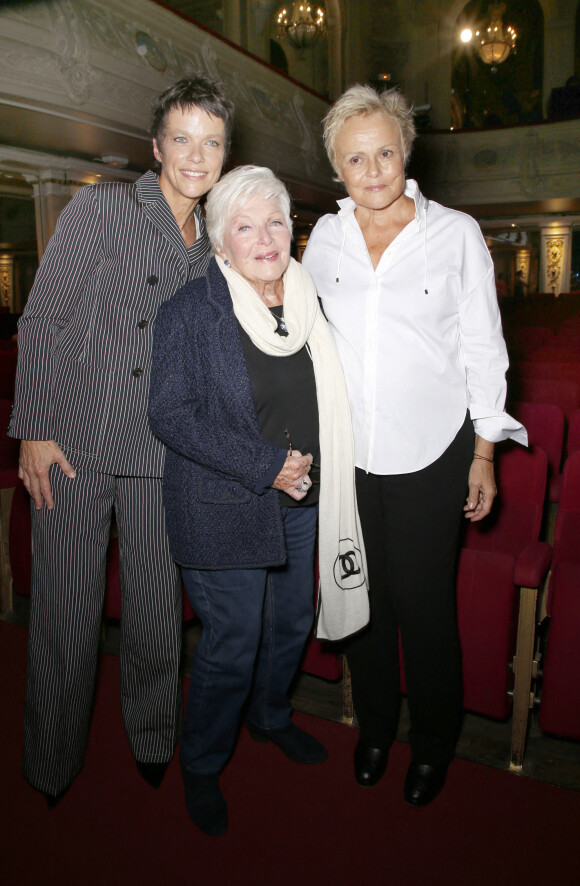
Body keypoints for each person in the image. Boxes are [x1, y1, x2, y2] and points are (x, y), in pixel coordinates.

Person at [8, 75, 234, 806]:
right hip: (72, 443)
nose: (196, 155)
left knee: (155, 614)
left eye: (212, 141)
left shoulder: (213, 247)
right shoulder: (105, 207)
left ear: (224, 153)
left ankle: (149, 735)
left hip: (161, 453)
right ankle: (49, 761)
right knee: (66, 618)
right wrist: (34, 430)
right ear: (156, 145)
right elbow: (41, 320)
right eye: (182, 138)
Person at [302, 84, 526, 807]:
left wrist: (486, 453)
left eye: (385, 153)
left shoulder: (454, 233)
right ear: (336, 167)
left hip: (435, 453)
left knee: (427, 609)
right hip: (350, 455)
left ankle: (432, 744)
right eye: (355, 158)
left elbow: (484, 349)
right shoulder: (326, 238)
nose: (372, 170)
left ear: (407, 152)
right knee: (364, 603)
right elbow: (304, 337)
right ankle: (375, 729)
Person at [148, 165, 368, 836]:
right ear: (222, 243)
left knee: (291, 624)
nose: (264, 237)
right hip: (223, 504)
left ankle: (270, 716)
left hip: (304, 501)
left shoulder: (310, 301)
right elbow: (171, 415)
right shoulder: (191, 311)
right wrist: (264, 465)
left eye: (274, 220)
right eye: (245, 226)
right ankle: (203, 762)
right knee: (234, 639)